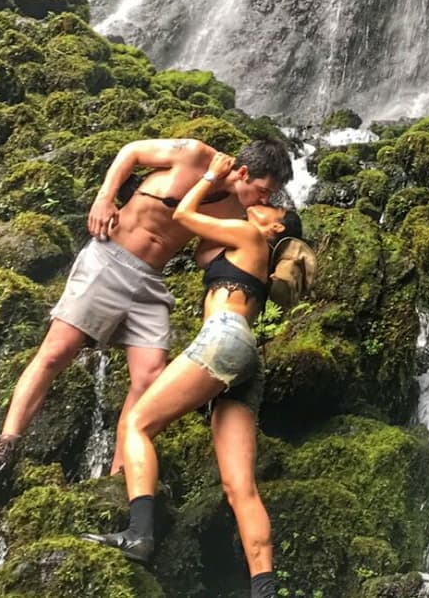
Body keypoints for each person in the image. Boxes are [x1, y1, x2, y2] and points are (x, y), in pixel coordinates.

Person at [0, 136, 292, 478]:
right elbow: (131, 152)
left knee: (149, 376)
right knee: (56, 353)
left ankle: (116, 475)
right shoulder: (194, 156)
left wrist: (261, 262)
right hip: (109, 259)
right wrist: (104, 198)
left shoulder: (236, 211)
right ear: (244, 172)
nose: (265, 200)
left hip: (150, 283)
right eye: (263, 190)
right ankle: (7, 440)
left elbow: (204, 255)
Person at [85, 154, 302, 598]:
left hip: (222, 338)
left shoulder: (248, 233)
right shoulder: (249, 250)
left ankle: (139, 533)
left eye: (269, 205)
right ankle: (265, 588)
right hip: (246, 358)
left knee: (138, 424)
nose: (258, 204)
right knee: (239, 485)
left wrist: (208, 178)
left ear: (276, 226)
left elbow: (183, 213)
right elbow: (201, 249)